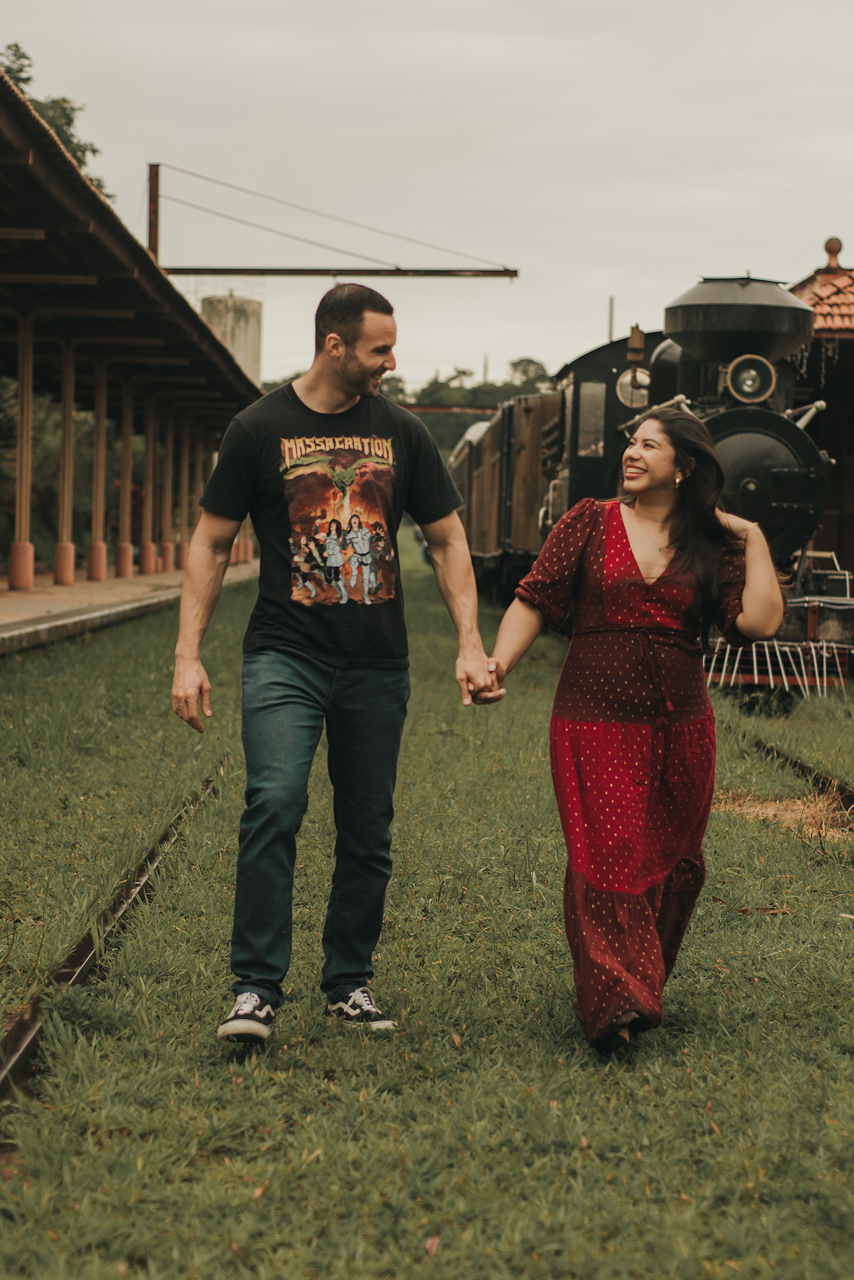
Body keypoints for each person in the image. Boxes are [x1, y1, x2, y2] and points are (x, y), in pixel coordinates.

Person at [172, 283, 494, 1041]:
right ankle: (255, 988)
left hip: (378, 665)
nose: (391, 361)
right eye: (380, 349)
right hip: (284, 654)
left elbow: (446, 540)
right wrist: (188, 656)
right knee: (274, 803)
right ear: (335, 345)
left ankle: (349, 983)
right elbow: (211, 541)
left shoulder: (404, 432)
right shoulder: (258, 428)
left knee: (367, 828)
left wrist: (471, 641)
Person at [479, 407, 784, 1054]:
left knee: (672, 862)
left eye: (651, 445)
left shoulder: (713, 544)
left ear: (686, 466)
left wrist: (752, 536)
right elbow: (535, 598)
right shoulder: (589, 521)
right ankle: (613, 1004)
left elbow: (757, 624)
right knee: (605, 856)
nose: (633, 454)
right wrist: (496, 664)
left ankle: (636, 981)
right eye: (631, 443)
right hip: (594, 717)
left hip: (680, 726)